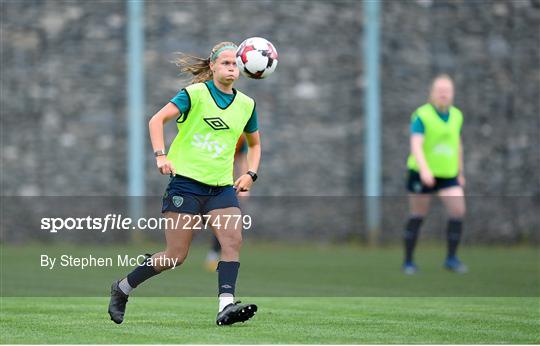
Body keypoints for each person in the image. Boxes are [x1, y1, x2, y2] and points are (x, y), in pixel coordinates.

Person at [108, 42, 261, 325]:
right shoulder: (194, 94)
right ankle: (123, 288)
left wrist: (250, 173)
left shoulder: (246, 105)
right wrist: (160, 155)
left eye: (235, 63)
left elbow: (254, 144)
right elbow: (157, 120)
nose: (231, 67)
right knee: (176, 256)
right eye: (225, 62)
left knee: (232, 241)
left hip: (220, 187)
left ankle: (225, 307)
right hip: (186, 185)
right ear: (212, 66)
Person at [403, 74, 468, 275]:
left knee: (458, 211)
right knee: (418, 214)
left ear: (452, 93)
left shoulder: (457, 115)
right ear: (432, 92)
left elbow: (457, 144)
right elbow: (416, 144)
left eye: (447, 90)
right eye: (439, 90)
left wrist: (460, 171)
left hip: (447, 173)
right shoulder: (422, 115)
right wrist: (424, 169)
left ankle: (451, 259)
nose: (443, 94)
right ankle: (409, 262)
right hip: (421, 173)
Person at [205, 135, 250, 272]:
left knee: (226, 223)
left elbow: (242, 159)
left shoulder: (240, 136)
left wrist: (245, 185)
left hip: (224, 185)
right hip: (199, 183)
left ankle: (214, 256)